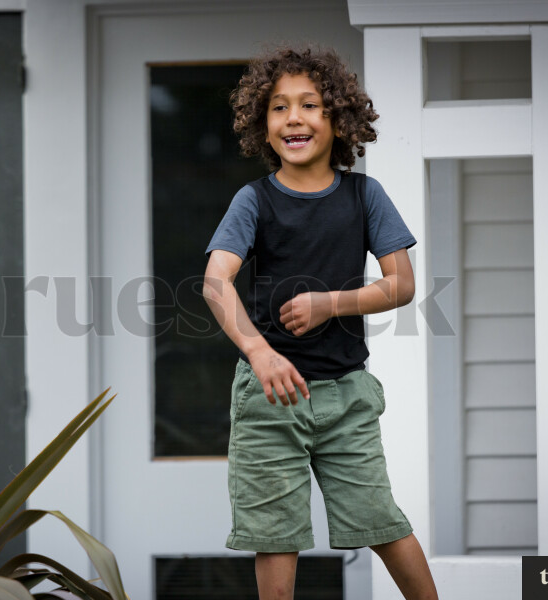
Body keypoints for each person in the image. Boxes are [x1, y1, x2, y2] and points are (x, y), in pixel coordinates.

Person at [202, 46, 439, 600]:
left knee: (381, 522)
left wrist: (331, 303)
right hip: (269, 399)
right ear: (262, 123)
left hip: (346, 396)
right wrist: (260, 353)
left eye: (310, 105)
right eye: (279, 107)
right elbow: (216, 282)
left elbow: (401, 284)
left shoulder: (364, 195)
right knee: (275, 537)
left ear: (339, 118)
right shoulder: (253, 201)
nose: (294, 118)